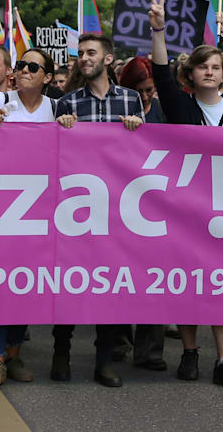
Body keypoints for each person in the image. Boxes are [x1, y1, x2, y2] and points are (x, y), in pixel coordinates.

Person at [148, 0, 223, 390]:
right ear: (190, 74)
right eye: (202, 67)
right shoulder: (180, 107)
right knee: (187, 283)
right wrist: (159, 30)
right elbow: (160, 73)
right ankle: (189, 352)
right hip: (185, 210)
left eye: (215, 67)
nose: (209, 72)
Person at [52, 33, 158, 388]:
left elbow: (140, 151)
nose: (84, 58)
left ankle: (104, 359)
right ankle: (61, 350)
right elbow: (55, 153)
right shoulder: (67, 102)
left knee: (109, 283)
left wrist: (137, 129)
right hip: (76, 206)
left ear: (108, 59)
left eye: (91, 53)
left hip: (115, 205)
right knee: (68, 281)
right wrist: (61, 129)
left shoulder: (130, 99)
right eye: (80, 53)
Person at [0, 47, 57, 387]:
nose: (23, 70)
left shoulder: (55, 108)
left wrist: (68, 126)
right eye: (21, 64)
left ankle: (13, 353)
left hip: (39, 209)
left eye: (32, 67)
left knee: (26, 283)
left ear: (47, 77)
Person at [118, 56, 165, 124]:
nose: (144, 98)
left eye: (149, 90)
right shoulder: (117, 108)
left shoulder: (161, 109)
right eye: (138, 92)